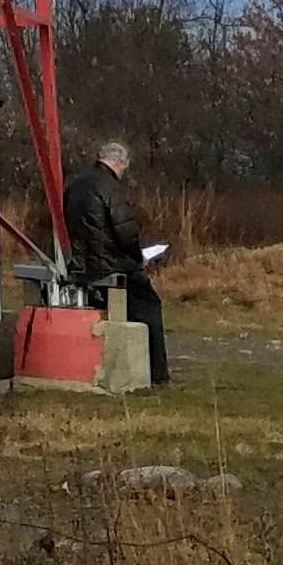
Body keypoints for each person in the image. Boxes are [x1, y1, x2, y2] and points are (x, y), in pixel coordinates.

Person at [61, 137, 170, 385]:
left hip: (79, 262)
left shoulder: (74, 184)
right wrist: (137, 257)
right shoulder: (111, 188)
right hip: (109, 263)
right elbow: (125, 232)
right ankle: (156, 372)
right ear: (120, 164)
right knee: (149, 304)